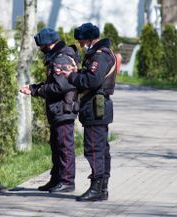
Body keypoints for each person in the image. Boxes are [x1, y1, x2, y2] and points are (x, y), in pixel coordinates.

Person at [60, 23, 117, 201]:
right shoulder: (99, 54)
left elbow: (92, 81)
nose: (80, 45)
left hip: (95, 107)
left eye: (82, 41)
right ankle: (101, 187)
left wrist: (71, 76)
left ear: (90, 39)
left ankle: (97, 188)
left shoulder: (100, 56)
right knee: (100, 148)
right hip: (95, 107)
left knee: (94, 149)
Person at [20, 28, 79, 193]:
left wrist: (37, 91)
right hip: (57, 109)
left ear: (48, 44)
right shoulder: (57, 57)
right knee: (56, 146)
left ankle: (67, 181)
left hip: (63, 108)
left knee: (64, 146)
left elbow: (60, 86)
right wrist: (33, 88)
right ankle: (56, 179)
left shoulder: (61, 58)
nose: (40, 49)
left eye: (41, 46)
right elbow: (54, 83)